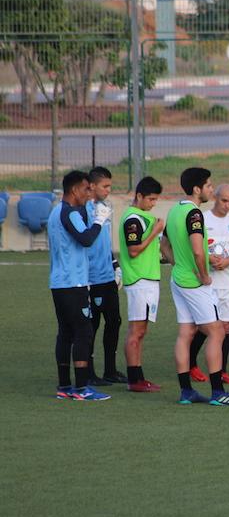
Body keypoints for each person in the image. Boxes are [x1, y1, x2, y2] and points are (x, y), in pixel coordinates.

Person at [162, 167, 229, 406]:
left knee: (186, 333)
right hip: (194, 283)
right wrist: (203, 276)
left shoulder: (175, 210)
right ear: (196, 189)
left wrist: (178, 264)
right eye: (209, 185)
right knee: (217, 332)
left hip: (178, 279)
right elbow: (199, 251)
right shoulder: (194, 214)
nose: (211, 189)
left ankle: (186, 391)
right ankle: (218, 393)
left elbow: (164, 245)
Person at [49, 170, 112, 401]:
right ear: (75, 190)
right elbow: (86, 239)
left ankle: (64, 386)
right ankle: (82, 388)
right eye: (86, 189)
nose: (89, 193)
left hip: (59, 283)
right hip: (73, 283)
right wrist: (99, 221)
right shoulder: (71, 213)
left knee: (66, 332)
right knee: (83, 332)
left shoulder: (56, 211)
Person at [188, 184, 229, 386]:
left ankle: (221, 371)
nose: (227, 205)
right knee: (204, 327)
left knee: (226, 327)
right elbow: (195, 247)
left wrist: (227, 261)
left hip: (228, 284)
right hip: (206, 283)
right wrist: (209, 258)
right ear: (215, 198)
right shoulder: (201, 219)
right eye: (224, 200)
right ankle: (191, 364)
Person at [118, 176, 165, 392]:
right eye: (151, 199)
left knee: (141, 331)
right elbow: (134, 250)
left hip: (147, 281)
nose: (153, 203)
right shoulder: (133, 220)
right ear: (139, 196)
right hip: (139, 281)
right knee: (136, 331)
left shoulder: (144, 217)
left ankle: (138, 377)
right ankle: (134, 380)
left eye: (156, 199)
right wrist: (155, 232)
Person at [85, 166, 124, 386]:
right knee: (92, 325)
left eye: (110, 186)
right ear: (92, 186)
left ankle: (110, 370)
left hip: (107, 276)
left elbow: (104, 242)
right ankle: (89, 373)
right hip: (92, 279)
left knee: (114, 321)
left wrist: (115, 264)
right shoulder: (84, 210)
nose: (108, 190)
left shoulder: (105, 207)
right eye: (105, 186)